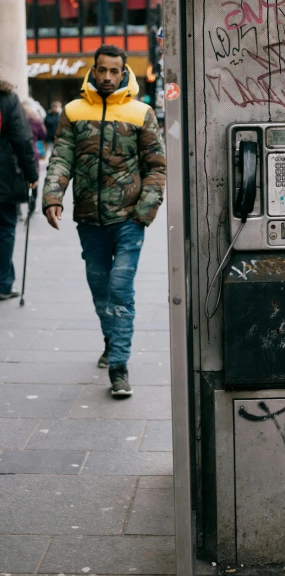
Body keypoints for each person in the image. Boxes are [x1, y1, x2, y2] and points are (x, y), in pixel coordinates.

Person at [42, 45, 166, 397]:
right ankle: (111, 341)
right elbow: (61, 158)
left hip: (128, 220)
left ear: (125, 72)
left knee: (120, 291)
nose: (108, 77)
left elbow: (156, 166)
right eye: (102, 70)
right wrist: (52, 197)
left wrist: (145, 212)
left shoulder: (141, 112)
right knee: (100, 291)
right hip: (89, 220)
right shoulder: (73, 111)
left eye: (114, 71)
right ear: (93, 72)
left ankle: (119, 366)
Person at [0, 79, 39, 300]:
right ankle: (3, 283)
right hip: (4, 175)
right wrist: (31, 175)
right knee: (5, 227)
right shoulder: (7, 99)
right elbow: (22, 140)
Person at [22, 101, 46, 166]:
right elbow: (42, 135)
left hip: (18, 153)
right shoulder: (36, 121)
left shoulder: (17, 120)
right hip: (33, 150)